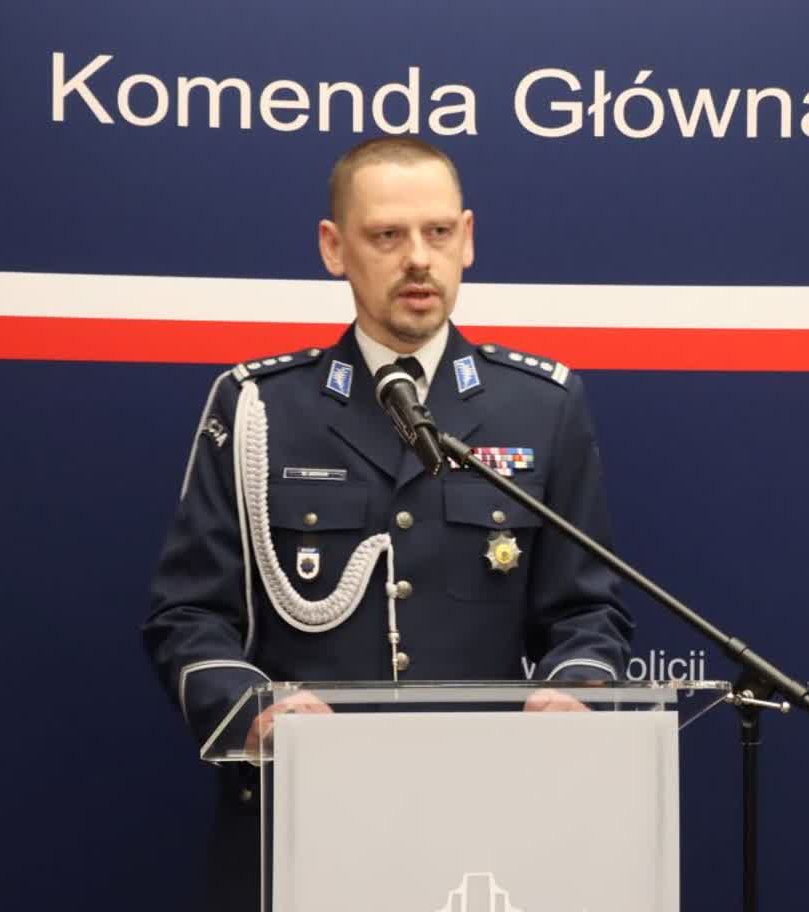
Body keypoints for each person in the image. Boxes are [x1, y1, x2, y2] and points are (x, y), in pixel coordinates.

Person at [141, 136, 633, 907]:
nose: (418, 259)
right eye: (386, 235)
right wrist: (253, 710)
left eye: (437, 232)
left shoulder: (541, 406)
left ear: (467, 239)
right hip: (299, 821)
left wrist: (577, 689)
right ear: (334, 248)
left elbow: (585, 611)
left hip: (485, 826)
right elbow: (189, 614)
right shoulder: (259, 408)